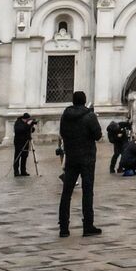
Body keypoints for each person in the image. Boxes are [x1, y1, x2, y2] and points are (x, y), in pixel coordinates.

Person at [56, 92, 102, 237]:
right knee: (87, 192)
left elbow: (62, 133)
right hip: (87, 158)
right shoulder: (89, 116)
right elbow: (98, 135)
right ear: (85, 101)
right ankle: (88, 225)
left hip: (71, 157)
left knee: (66, 193)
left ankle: (64, 227)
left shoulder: (66, 116)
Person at [13, 113, 34, 177]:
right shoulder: (18, 122)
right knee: (18, 156)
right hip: (19, 142)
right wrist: (27, 124)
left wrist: (31, 125)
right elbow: (20, 130)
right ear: (24, 119)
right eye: (27, 120)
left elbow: (32, 130)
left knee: (24, 156)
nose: (27, 121)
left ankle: (23, 171)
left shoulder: (26, 123)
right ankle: (16, 171)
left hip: (26, 141)